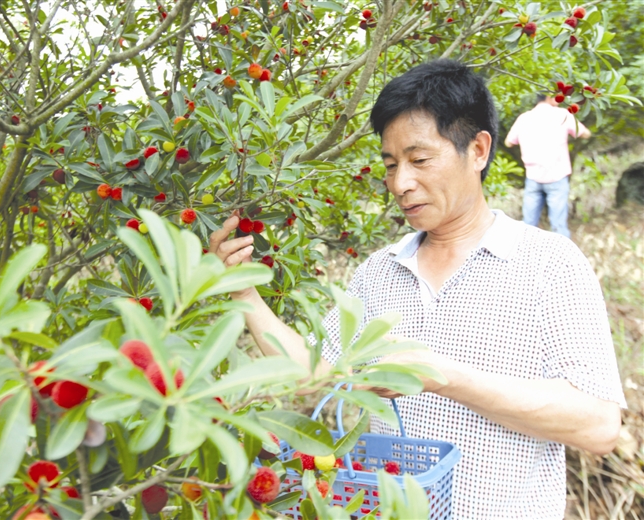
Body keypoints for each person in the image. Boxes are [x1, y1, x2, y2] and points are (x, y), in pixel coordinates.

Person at [209, 60, 625, 519]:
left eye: (420, 160)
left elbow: (599, 426)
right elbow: (317, 375)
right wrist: (244, 292)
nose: (401, 184)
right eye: (390, 165)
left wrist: (440, 375)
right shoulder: (380, 272)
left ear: (479, 149)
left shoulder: (550, 264)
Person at [505, 94, 592, 238]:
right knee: (558, 226)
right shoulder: (562, 115)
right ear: (550, 97)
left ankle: (525, 257)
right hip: (557, 177)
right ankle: (563, 258)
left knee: (528, 226)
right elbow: (586, 134)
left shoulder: (524, 118)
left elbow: (509, 142)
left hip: (533, 177)